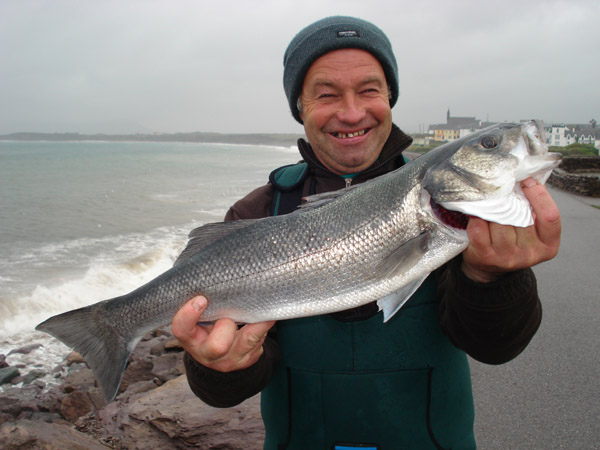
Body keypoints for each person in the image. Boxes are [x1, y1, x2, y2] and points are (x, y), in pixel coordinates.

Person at [171, 16, 561, 449]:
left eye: (370, 90)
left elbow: (496, 348)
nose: (352, 112)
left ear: (389, 98)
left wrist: (494, 278)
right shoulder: (257, 214)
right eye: (326, 94)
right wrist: (218, 366)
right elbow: (224, 394)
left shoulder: (467, 212)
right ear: (299, 107)